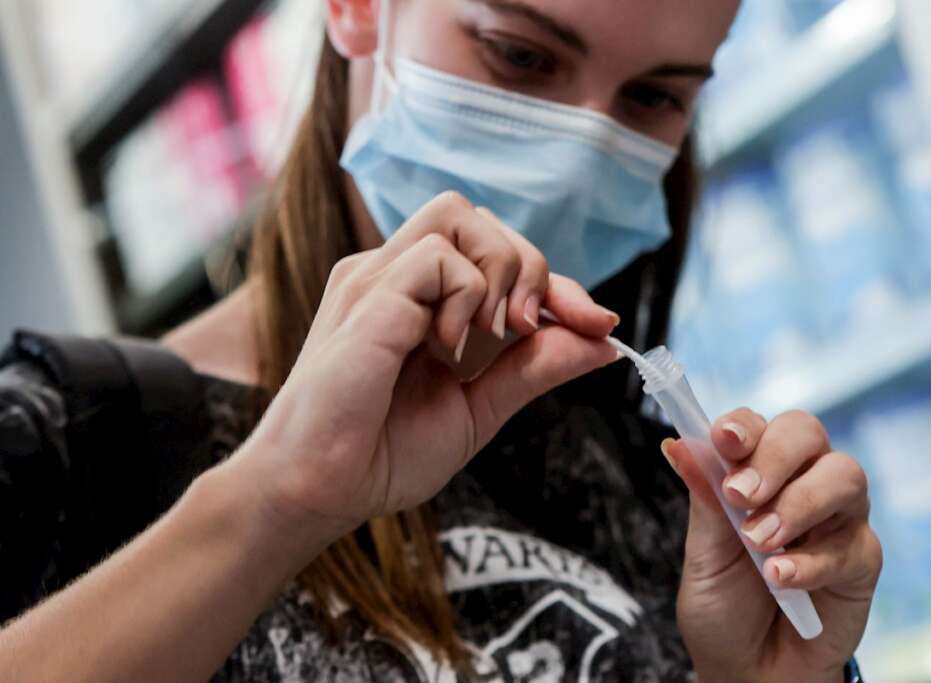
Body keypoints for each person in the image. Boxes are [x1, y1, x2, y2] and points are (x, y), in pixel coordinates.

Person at [0, 0, 881, 681]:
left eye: (653, 95)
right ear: (356, 7)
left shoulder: (640, 456)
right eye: (520, 54)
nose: (576, 161)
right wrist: (276, 499)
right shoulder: (66, 437)